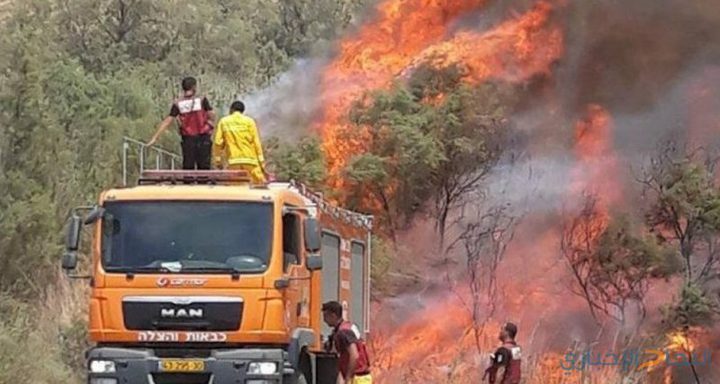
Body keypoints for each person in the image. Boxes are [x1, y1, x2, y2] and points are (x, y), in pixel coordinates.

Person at [147, 76, 216, 170]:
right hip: (203, 137)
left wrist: (155, 137)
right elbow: (211, 114)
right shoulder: (202, 100)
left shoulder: (178, 103)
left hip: (188, 139)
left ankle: (188, 183)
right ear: (194, 87)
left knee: (188, 168)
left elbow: (168, 121)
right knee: (204, 168)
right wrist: (210, 125)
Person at [211, 100, 267, 183]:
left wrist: (218, 160)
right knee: (260, 186)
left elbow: (217, 142)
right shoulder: (249, 122)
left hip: (234, 162)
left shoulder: (224, 121)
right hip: (251, 162)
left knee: (236, 190)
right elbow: (256, 142)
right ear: (243, 111)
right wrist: (262, 162)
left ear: (231, 109)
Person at [322, 301, 372, 384]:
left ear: (333, 316)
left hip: (358, 378)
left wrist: (348, 378)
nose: (324, 320)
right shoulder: (347, 326)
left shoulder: (343, 332)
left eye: (325, 316)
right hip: (360, 377)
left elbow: (354, 355)